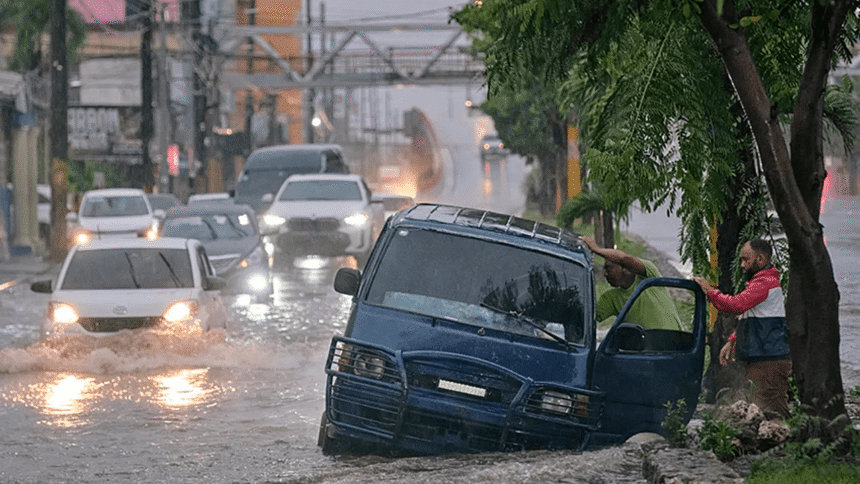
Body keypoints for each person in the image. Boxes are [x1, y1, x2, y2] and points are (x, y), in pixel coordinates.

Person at [693, 238, 791, 418]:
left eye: (746, 259)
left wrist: (709, 291)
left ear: (760, 259)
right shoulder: (761, 283)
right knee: (763, 410)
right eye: (740, 260)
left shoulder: (764, 283)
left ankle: (791, 435)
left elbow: (735, 306)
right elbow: (752, 317)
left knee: (772, 412)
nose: (742, 265)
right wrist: (732, 340)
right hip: (764, 358)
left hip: (768, 360)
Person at [580, 236, 682, 331]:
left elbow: (624, 259)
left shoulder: (649, 276)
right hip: (646, 344)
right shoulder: (612, 298)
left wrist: (597, 249)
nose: (605, 274)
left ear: (624, 268)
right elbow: (588, 315)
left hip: (672, 339)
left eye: (608, 268)